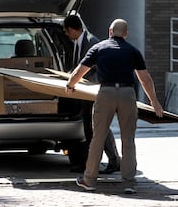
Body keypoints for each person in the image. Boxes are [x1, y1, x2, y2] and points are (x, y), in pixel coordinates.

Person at [65, 18, 164, 194]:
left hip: (106, 93)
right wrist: (154, 102)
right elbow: (145, 78)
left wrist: (70, 85)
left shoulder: (98, 48)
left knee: (98, 137)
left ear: (110, 31)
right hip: (127, 94)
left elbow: (80, 70)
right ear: (126, 34)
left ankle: (89, 180)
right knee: (128, 139)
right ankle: (128, 183)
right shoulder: (133, 51)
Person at [63, 15, 121, 174]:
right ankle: (94, 162)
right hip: (86, 92)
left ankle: (113, 160)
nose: (67, 36)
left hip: (95, 90)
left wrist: (78, 80)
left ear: (71, 29)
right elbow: (79, 66)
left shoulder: (91, 42)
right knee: (92, 127)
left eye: (66, 32)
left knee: (99, 126)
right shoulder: (80, 42)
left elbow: (96, 69)